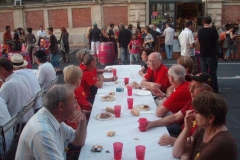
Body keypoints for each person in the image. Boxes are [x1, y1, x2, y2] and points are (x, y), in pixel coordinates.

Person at [15, 85, 87, 160]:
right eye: (74, 100)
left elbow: (78, 141)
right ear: (61, 106)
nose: (76, 104)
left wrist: (82, 119)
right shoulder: (42, 133)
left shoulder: (54, 118)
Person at [147, 72, 213, 146]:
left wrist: (176, 141)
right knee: (152, 134)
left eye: (196, 87)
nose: (191, 91)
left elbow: (204, 141)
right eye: (190, 86)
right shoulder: (193, 101)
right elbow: (175, 117)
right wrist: (152, 123)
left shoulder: (211, 111)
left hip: (189, 143)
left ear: (208, 89)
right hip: (182, 133)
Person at [172, 92, 237, 160]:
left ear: (210, 118)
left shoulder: (220, 143)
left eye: (196, 112)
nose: (193, 115)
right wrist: (186, 129)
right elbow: (176, 153)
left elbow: (186, 150)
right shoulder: (203, 129)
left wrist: (186, 154)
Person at [0, 58, 33, 123]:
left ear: (2, 70)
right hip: (29, 118)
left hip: (17, 124)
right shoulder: (22, 77)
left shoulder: (7, 86)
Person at [198, 16, 219, 93]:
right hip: (212, 53)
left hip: (203, 53)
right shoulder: (213, 30)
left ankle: (204, 87)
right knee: (213, 72)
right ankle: (214, 88)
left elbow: (199, 41)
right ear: (210, 22)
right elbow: (218, 40)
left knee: (204, 72)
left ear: (203, 22)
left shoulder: (200, 31)